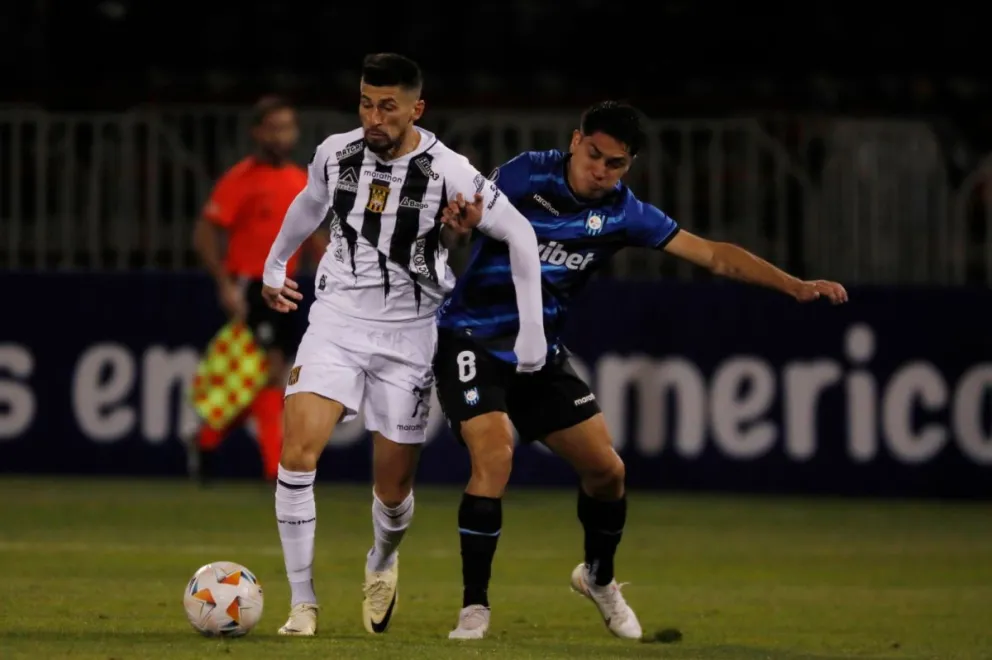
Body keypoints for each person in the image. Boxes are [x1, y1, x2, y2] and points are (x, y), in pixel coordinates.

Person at [433, 101, 849, 640]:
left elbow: (715, 255)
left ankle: (598, 578)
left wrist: (793, 284)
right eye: (594, 156)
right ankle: (475, 607)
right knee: (494, 453)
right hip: (473, 338)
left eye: (616, 164)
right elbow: (463, 223)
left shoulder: (625, 214)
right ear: (575, 141)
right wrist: (459, 232)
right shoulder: (522, 174)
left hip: (541, 356)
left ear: (630, 165)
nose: (600, 171)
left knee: (609, 472)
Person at [259, 53, 548, 637]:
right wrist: (274, 260)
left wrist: (532, 329)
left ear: (416, 108)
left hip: (409, 333)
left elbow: (519, 231)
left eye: (387, 106)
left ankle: (382, 559)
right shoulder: (334, 153)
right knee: (298, 455)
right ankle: (303, 603)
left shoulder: (448, 170)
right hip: (336, 320)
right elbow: (311, 202)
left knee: (392, 492)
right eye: (366, 103)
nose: (373, 117)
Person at [190, 95, 326, 482]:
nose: (284, 136)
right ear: (258, 133)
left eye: (289, 127)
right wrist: (224, 283)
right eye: (276, 128)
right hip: (252, 286)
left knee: (266, 377)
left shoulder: (300, 180)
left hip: (290, 286)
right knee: (270, 373)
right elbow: (205, 231)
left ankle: (206, 440)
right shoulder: (240, 178)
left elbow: (313, 236)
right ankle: (275, 468)